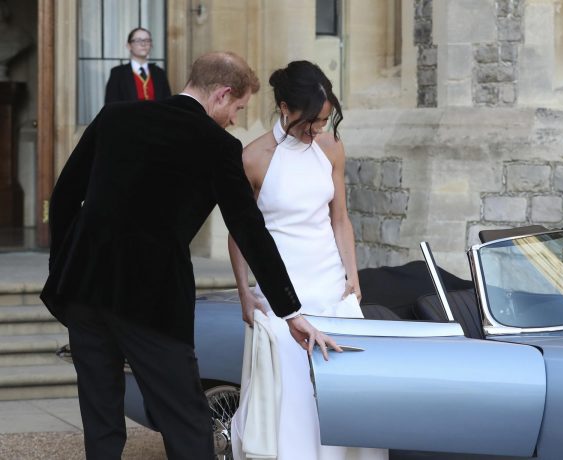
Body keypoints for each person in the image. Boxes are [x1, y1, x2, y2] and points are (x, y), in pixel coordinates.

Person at [40, 52, 339, 460]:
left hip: (83, 290)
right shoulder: (219, 146)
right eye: (238, 108)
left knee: (101, 423)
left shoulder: (115, 117)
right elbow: (250, 231)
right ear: (222, 94)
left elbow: (63, 197)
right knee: (188, 422)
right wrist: (291, 311)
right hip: (152, 301)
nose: (235, 119)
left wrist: (62, 268)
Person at [228, 60, 388, 460]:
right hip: (283, 294)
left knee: (348, 394)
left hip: (331, 287)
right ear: (285, 108)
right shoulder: (253, 158)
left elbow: (340, 218)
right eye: (311, 121)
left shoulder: (331, 148)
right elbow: (239, 233)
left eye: (323, 120)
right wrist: (245, 293)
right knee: (293, 400)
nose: (317, 129)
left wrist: (352, 276)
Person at [104, 27, 171, 103]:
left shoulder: (159, 73)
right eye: (138, 40)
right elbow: (111, 104)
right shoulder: (118, 73)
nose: (143, 44)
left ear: (151, 45)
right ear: (129, 46)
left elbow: (167, 103)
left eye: (147, 40)